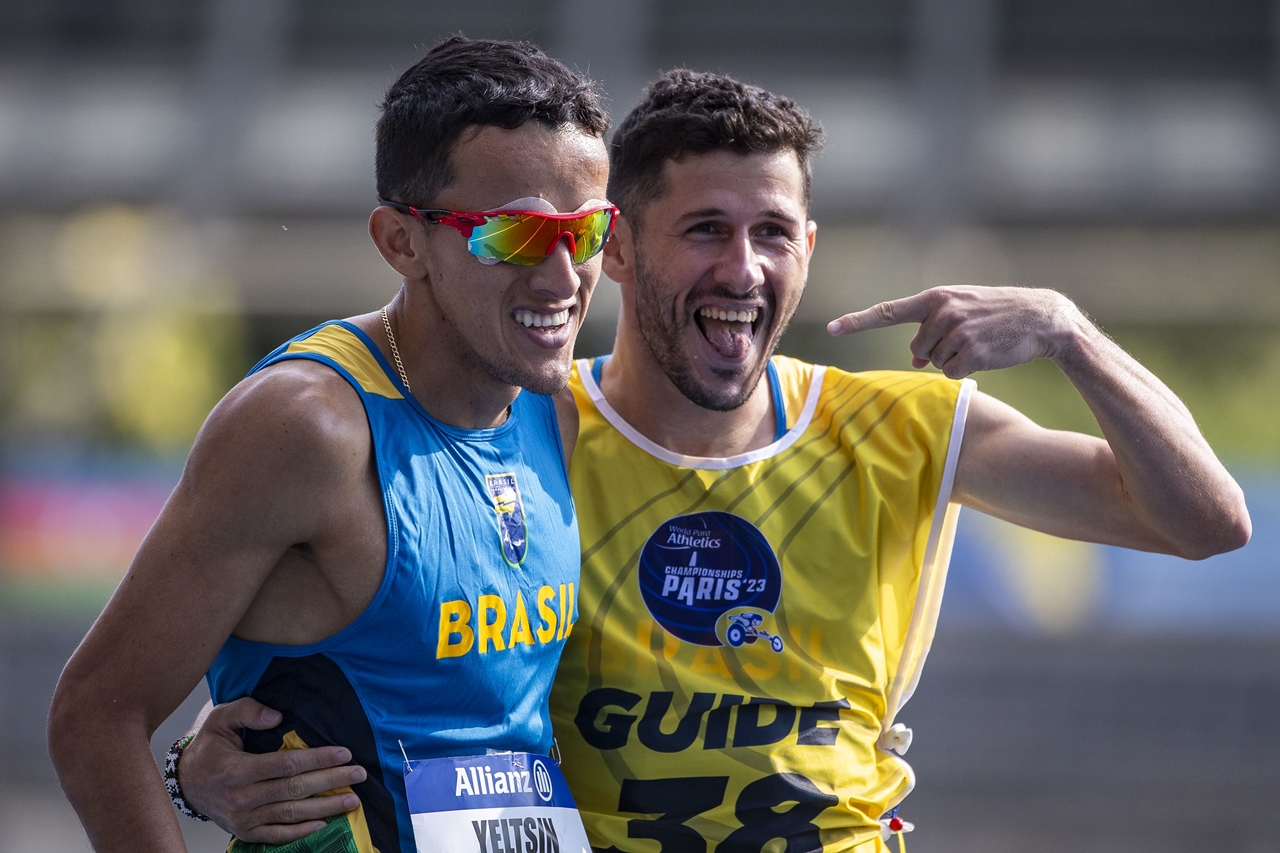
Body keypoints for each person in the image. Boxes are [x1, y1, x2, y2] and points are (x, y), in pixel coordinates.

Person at [171, 70, 1251, 852]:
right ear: (618, 247)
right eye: (703, 230)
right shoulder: (522, 425)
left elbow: (1203, 523)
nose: (742, 268)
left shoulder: (910, 427)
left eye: (773, 232)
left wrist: (1069, 332)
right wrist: (211, 758)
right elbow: (362, 634)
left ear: (808, 252)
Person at [47, 36, 613, 853]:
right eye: (516, 236)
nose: (563, 278)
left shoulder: (556, 402)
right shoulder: (309, 426)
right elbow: (95, 715)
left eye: (586, 231)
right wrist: (183, 773)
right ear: (401, 242)